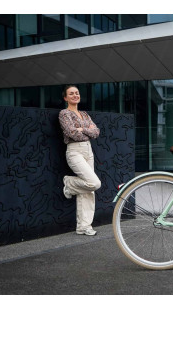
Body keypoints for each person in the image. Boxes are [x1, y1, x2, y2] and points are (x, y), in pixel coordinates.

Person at [59, 85, 101, 236]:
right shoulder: (64, 114)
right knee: (94, 183)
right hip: (75, 151)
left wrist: (82, 129)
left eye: (77, 93)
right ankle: (69, 184)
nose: (75, 95)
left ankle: (84, 226)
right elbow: (71, 133)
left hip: (88, 151)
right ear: (65, 98)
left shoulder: (84, 114)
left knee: (89, 191)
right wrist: (87, 131)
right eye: (71, 94)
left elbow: (96, 132)